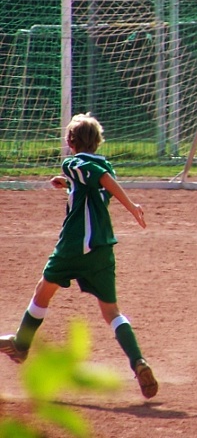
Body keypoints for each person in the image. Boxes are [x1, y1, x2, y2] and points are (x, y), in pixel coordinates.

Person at [0, 113, 158, 399]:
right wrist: (69, 185)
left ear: (71, 141)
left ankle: (21, 344)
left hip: (73, 248)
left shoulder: (74, 162)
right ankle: (138, 362)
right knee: (112, 312)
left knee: (42, 293)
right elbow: (96, 181)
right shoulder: (99, 164)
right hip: (102, 250)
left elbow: (101, 178)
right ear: (98, 141)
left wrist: (131, 205)